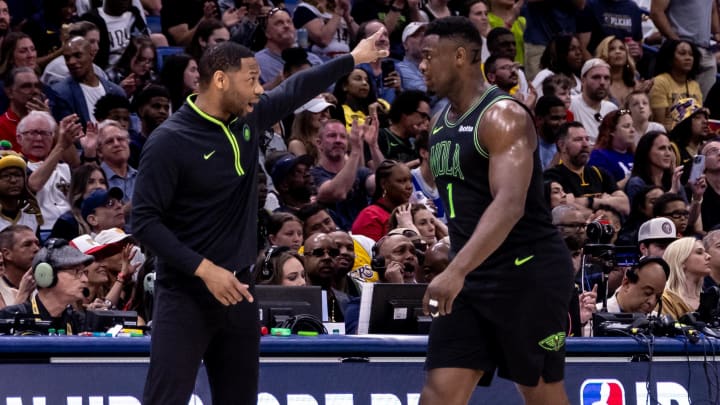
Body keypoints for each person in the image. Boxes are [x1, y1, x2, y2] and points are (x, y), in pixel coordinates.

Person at [131, 31, 388, 404]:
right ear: (220, 80)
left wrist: (354, 56)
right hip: (185, 294)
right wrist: (205, 269)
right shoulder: (169, 141)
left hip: (240, 292)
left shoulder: (248, 119)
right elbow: (144, 223)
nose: (259, 89)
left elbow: (296, 88)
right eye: (251, 79)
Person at [418, 17, 574, 404]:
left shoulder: (503, 115)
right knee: (438, 393)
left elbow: (508, 204)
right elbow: (463, 200)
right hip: (471, 276)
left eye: (428, 57)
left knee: (540, 392)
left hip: (526, 272)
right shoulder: (439, 123)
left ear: (459, 56)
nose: (421, 65)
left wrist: (455, 269)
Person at [0, 238, 94, 334]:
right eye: (76, 272)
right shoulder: (9, 318)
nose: (85, 279)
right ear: (46, 275)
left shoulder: (79, 321)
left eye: (84, 272)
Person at [661, 237, 712, 320]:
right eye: (699, 252)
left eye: (705, 252)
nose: (708, 256)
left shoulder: (711, 299)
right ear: (681, 260)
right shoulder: (665, 300)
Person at [599, 255, 669, 314]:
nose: (652, 302)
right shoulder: (592, 318)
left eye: (657, 297)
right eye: (648, 293)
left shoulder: (659, 324)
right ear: (626, 284)